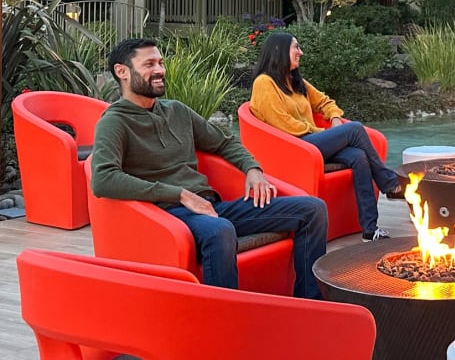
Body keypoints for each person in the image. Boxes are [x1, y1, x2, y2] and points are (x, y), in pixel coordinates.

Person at [91, 38, 328, 299]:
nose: (160, 70)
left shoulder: (177, 111)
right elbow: (103, 179)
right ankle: (224, 323)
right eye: (149, 64)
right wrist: (179, 194)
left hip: (210, 208)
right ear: (122, 71)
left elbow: (224, 142)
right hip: (167, 217)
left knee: (312, 209)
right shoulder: (114, 122)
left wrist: (252, 169)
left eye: (160, 62)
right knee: (220, 230)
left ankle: (309, 302)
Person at [249, 32, 403, 243]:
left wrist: (335, 119)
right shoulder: (264, 83)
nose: (300, 52)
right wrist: (328, 134)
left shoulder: (295, 81)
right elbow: (282, 124)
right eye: (296, 47)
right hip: (295, 147)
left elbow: (325, 102)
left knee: (359, 156)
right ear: (279, 51)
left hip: (313, 144)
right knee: (355, 129)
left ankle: (370, 228)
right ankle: (390, 184)